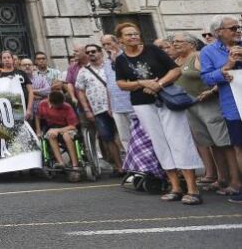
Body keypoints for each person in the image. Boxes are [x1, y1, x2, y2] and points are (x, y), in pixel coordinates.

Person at [114, 22, 204, 205]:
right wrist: (141, 83)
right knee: (159, 143)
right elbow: (121, 83)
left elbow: (175, 70)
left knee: (179, 140)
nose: (134, 36)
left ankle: (192, 189)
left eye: (136, 33)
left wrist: (158, 84)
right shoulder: (121, 60)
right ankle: (175, 187)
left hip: (167, 99)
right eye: (129, 34)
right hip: (142, 103)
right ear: (121, 39)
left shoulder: (153, 50)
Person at [173, 32, 239, 196]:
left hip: (208, 105)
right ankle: (222, 178)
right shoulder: (177, 60)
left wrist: (211, 91)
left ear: (191, 44)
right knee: (211, 143)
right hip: (191, 107)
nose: (175, 44)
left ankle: (235, 180)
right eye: (174, 42)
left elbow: (217, 75)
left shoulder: (199, 56)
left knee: (224, 143)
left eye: (179, 41)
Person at [200, 14, 242, 204]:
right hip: (233, 105)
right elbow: (207, 78)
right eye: (233, 28)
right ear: (219, 32)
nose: (237, 31)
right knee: (239, 146)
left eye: (238, 27)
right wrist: (227, 66)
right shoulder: (208, 52)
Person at [74, 44, 123, 175]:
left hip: (118, 106)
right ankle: (119, 167)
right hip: (98, 109)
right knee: (107, 137)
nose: (91, 54)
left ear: (100, 52)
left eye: (93, 51)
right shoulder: (83, 71)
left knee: (123, 136)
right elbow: (80, 91)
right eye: (88, 52)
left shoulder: (110, 65)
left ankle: (132, 164)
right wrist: (87, 109)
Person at [36, 91, 81, 181]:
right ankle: (61, 162)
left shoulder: (67, 107)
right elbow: (38, 116)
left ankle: (75, 165)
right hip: (52, 128)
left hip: (67, 128)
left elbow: (72, 126)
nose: (52, 106)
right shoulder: (43, 104)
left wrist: (58, 130)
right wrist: (38, 130)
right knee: (51, 135)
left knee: (66, 136)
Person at [101, 33, 134, 153]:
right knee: (125, 137)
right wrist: (109, 105)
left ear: (117, 43)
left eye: (109, 44)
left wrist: (116, 61)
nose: (106, 47)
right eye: (104, 45)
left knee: (139, 134)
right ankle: (133, 161)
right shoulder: (106, 63)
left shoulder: (127, 57)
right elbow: (109, 85)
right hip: (116, 106)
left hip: (131, 103)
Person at [0, 51, 34, 120]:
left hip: (24, 106)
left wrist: (29, 109)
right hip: (7, 108)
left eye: (8, 57)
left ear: (12, 59)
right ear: (1, 61)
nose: (7, 59)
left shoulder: (21, 73)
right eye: (4, 58)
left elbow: (30, 91)